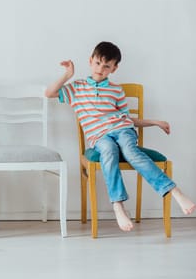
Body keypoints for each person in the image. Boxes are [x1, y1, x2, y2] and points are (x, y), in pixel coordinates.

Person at [45, 41, 195, 232]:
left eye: (107, 66)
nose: (101, 68)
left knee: (130, 151)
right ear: (91, 61)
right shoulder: (77, 88)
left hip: (122, 129)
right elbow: (49, 93)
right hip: (99, 137)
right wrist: (68, 74)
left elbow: (126, 119)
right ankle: (118, 205)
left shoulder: (116, 90)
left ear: (114, 69)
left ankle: (174, 191)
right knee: (108, 149)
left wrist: (155, 122)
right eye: (98, 63)